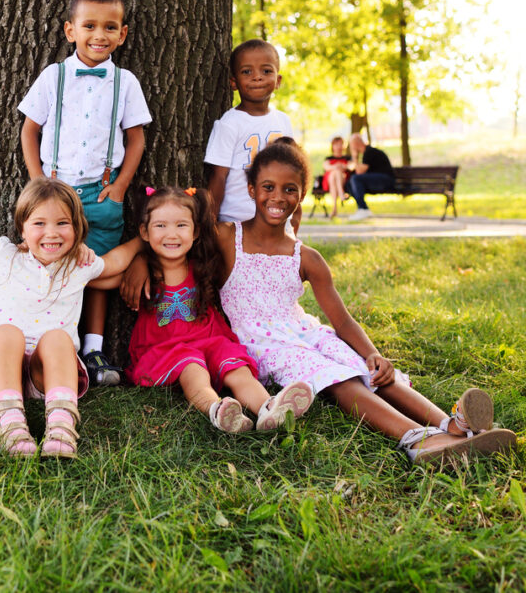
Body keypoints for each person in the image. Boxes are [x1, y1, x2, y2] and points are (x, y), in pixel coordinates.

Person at [216, 141, 514, 464]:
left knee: (367, 371)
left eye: (289, 189)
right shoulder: (229, 239)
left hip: (304, 331)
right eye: (268, 187)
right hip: (265, 345)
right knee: (337, 377)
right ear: (250, 189)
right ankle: (417, 439)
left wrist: (373, 354)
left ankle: (452, 426)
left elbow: (342, 321)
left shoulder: (307, 258)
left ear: (301, 195)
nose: (277, 197)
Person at [19, 0, 152, 387]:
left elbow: (136, 138)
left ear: (122, 34)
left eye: (109, 27)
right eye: (89, 26)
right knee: (49, 265)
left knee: (93, 273)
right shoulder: (53, 76)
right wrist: (38, 182)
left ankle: (91, 349)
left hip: (101, 191)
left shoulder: (125, 82)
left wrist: (121, 187)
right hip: (55, 192)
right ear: (69, 30)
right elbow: (30, 130)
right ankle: (46, 344)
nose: (99, 35)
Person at [0, 178, 143, 459]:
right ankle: (11, 426)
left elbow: (116, 262)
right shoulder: (6, 256)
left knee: (57, 337)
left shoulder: (80, 265)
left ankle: (61, 427)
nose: (51, 233)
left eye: (62, 223)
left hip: (47, 376)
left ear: (77, 228)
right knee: (8, 332)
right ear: (22, 229)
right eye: (39, 223)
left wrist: (143, 242)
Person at [112, 186, 313, 433]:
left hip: (210, 339)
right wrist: (137, 256)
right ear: (144, 231)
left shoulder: (203, 266)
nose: (171, 234)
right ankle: (217, 409)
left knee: (236, 367)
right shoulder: (143, 274)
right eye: (161, 226)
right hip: (168, 348)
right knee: (192, 368)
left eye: (181, 226)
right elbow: (100, 278)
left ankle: (268, 407)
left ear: (196, 231)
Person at [205, 39, 301, 234]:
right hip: (237, 221)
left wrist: (296, 212)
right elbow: (218, 177)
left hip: (277, 219)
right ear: (234, 82)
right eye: (247, 71)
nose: (257, 77)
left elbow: (293, 170)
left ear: (278, 81)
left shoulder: (283, 121)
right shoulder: (229, 124)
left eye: (266, 71)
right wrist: (211, 223)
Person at [344, 133, 394, 220]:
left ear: (356, 144)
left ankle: (363, 209)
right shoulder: (365, 153)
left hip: (386, 180)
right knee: (349, 183)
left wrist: (355, 157)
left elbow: (359, 171)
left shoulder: (369, 152)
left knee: (355, 178)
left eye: (351, 145)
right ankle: (363, 209)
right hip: (377, 180)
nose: (351, 148)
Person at [322, 135, 352, 219]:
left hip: (343, 180)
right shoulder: (328, 158)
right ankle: (341, 194)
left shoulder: (347, 158)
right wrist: (335, 167)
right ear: (333, 146)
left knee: (336, 174)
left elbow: (351, 166)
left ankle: (334, 208)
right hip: (329, 181)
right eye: (336, 144)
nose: (339, 147)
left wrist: (343, 166)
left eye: (340, 144)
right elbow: (326, 166)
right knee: (335, 173)